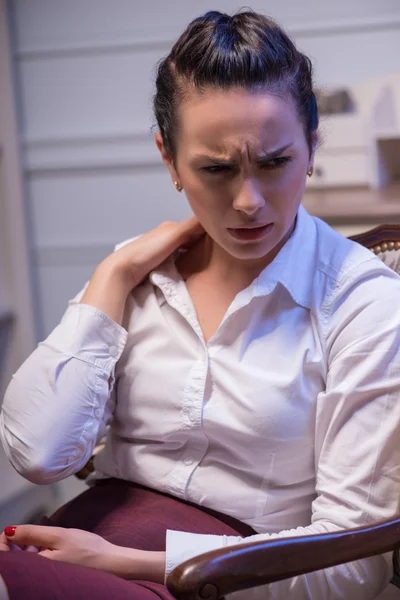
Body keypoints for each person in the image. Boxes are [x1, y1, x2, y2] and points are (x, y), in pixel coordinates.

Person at [0, 9, 400, 600]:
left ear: (312, 147)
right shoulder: (137, 277)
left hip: (235, 576)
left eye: (275, 162)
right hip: (88, 542)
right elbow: (37, 456)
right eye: (215, 169)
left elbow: (352, 564)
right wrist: (113, 275)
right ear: (169, 159)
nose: (248, 202)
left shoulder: (365, 305)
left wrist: (135, 563)